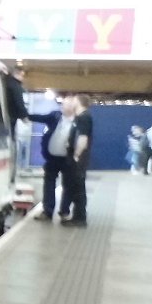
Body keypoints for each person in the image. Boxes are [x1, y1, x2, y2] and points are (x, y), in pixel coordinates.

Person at [28, 96, 74, 223]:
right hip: (52, 158)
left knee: (68, 186)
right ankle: (47, 211)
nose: (61, 106)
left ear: (72, 107)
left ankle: (64, 212)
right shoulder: (55, 116)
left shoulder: (78, 121)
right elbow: (41, 118)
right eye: (62, 104)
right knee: (48, 184)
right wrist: (25, 115)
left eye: (65, 105)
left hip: (68, 160)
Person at [58, 94, 93, 228]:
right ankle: (77, 216)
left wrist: (76, 155)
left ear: (78, 102)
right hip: (74, 158)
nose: (71, 103)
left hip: (78, 159)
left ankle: (80, 218)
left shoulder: (84, 117)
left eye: (74, 101)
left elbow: (83, 138)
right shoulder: (80, 118)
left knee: (78, 188)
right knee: (74, 187)